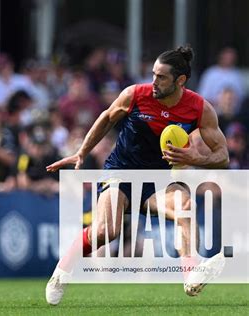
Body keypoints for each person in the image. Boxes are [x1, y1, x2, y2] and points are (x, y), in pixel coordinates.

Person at [44, 46, 229, 306]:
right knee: (106, 231)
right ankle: (61, 272)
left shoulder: (199, 108)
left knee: (185, 206)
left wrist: (194, 159)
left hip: (159, 180)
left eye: (161, 77)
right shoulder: (136, 94)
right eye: (153, 74)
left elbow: (223, 155)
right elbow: (106, 118)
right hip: (120, 171)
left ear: (180, 81)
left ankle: (191, 276)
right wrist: (81, 153)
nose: (154, 81)